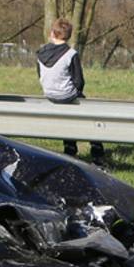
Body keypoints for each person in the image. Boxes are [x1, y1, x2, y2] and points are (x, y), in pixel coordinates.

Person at [37, 18, 105, 165]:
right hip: (67, 94)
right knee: (91, 116)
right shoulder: (71, 54)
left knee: (68, 116)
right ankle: (97, 154)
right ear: (68, 35)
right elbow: (79, 81)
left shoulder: (40, 52)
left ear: (52, 33)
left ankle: (70, 151)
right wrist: (76, 92)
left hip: (49, 94)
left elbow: (39, 75)